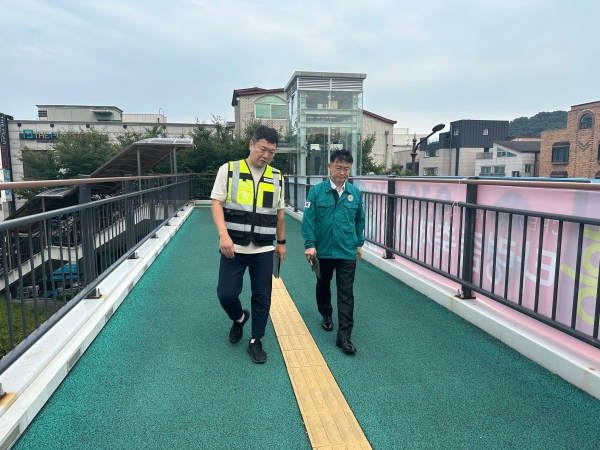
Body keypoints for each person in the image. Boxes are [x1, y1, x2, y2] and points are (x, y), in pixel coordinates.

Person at [210, 125, 286, 364]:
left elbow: (279, 213)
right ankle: (239, 318)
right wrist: (223, 235)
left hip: (263, 247)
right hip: (233, 246)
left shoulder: (277, 176)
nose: (266, 155)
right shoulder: (229, 169)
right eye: (263, 149)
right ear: (251, 145)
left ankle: (256, 340)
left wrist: (281, 242)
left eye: (271, 152)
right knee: (226, 294)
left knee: (262, 296)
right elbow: (216, 203)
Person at [301, 149, 365, 354]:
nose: (342, 173)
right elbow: (309, 219)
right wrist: (310, 244)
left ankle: (344, 336)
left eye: (346, 169)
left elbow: (359, 220)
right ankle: (326, 314)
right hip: (323, 250)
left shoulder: (354, 193)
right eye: (338, 168)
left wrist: (359, 243)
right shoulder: (316, 191)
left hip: (346, 249)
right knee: (323, 284)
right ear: (329, 167)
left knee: (346, 293)